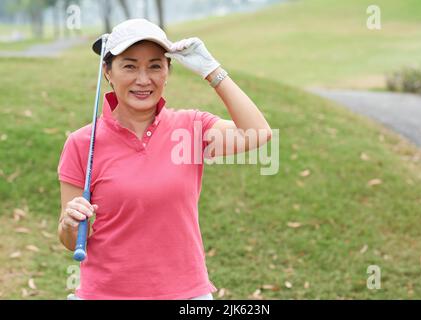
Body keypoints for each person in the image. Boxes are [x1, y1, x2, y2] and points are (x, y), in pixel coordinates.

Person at [58, 19, 272, 300]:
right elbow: (71, 241)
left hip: (185, 295)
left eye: (155, 66)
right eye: (130, 65)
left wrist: (212, 71)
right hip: (105, 294)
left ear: (168, 71)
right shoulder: (82, 143)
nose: (143, 79)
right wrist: (69, 225)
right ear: (107, 71)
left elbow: (258, 134)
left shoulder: (190, 129)